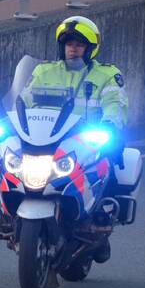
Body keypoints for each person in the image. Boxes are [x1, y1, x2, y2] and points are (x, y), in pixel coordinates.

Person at [29, 15, 129, 263]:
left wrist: (110, 127)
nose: (73, 49)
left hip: (86, 143)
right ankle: (6, 215)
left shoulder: (106, 75)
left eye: (79, 44)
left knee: (108, 172)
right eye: (69, 43)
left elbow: (115, 105)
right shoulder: (44, 71)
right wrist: (4, 123)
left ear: (90, 49)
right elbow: (23, 101)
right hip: (48, 141)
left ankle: (101, 228)